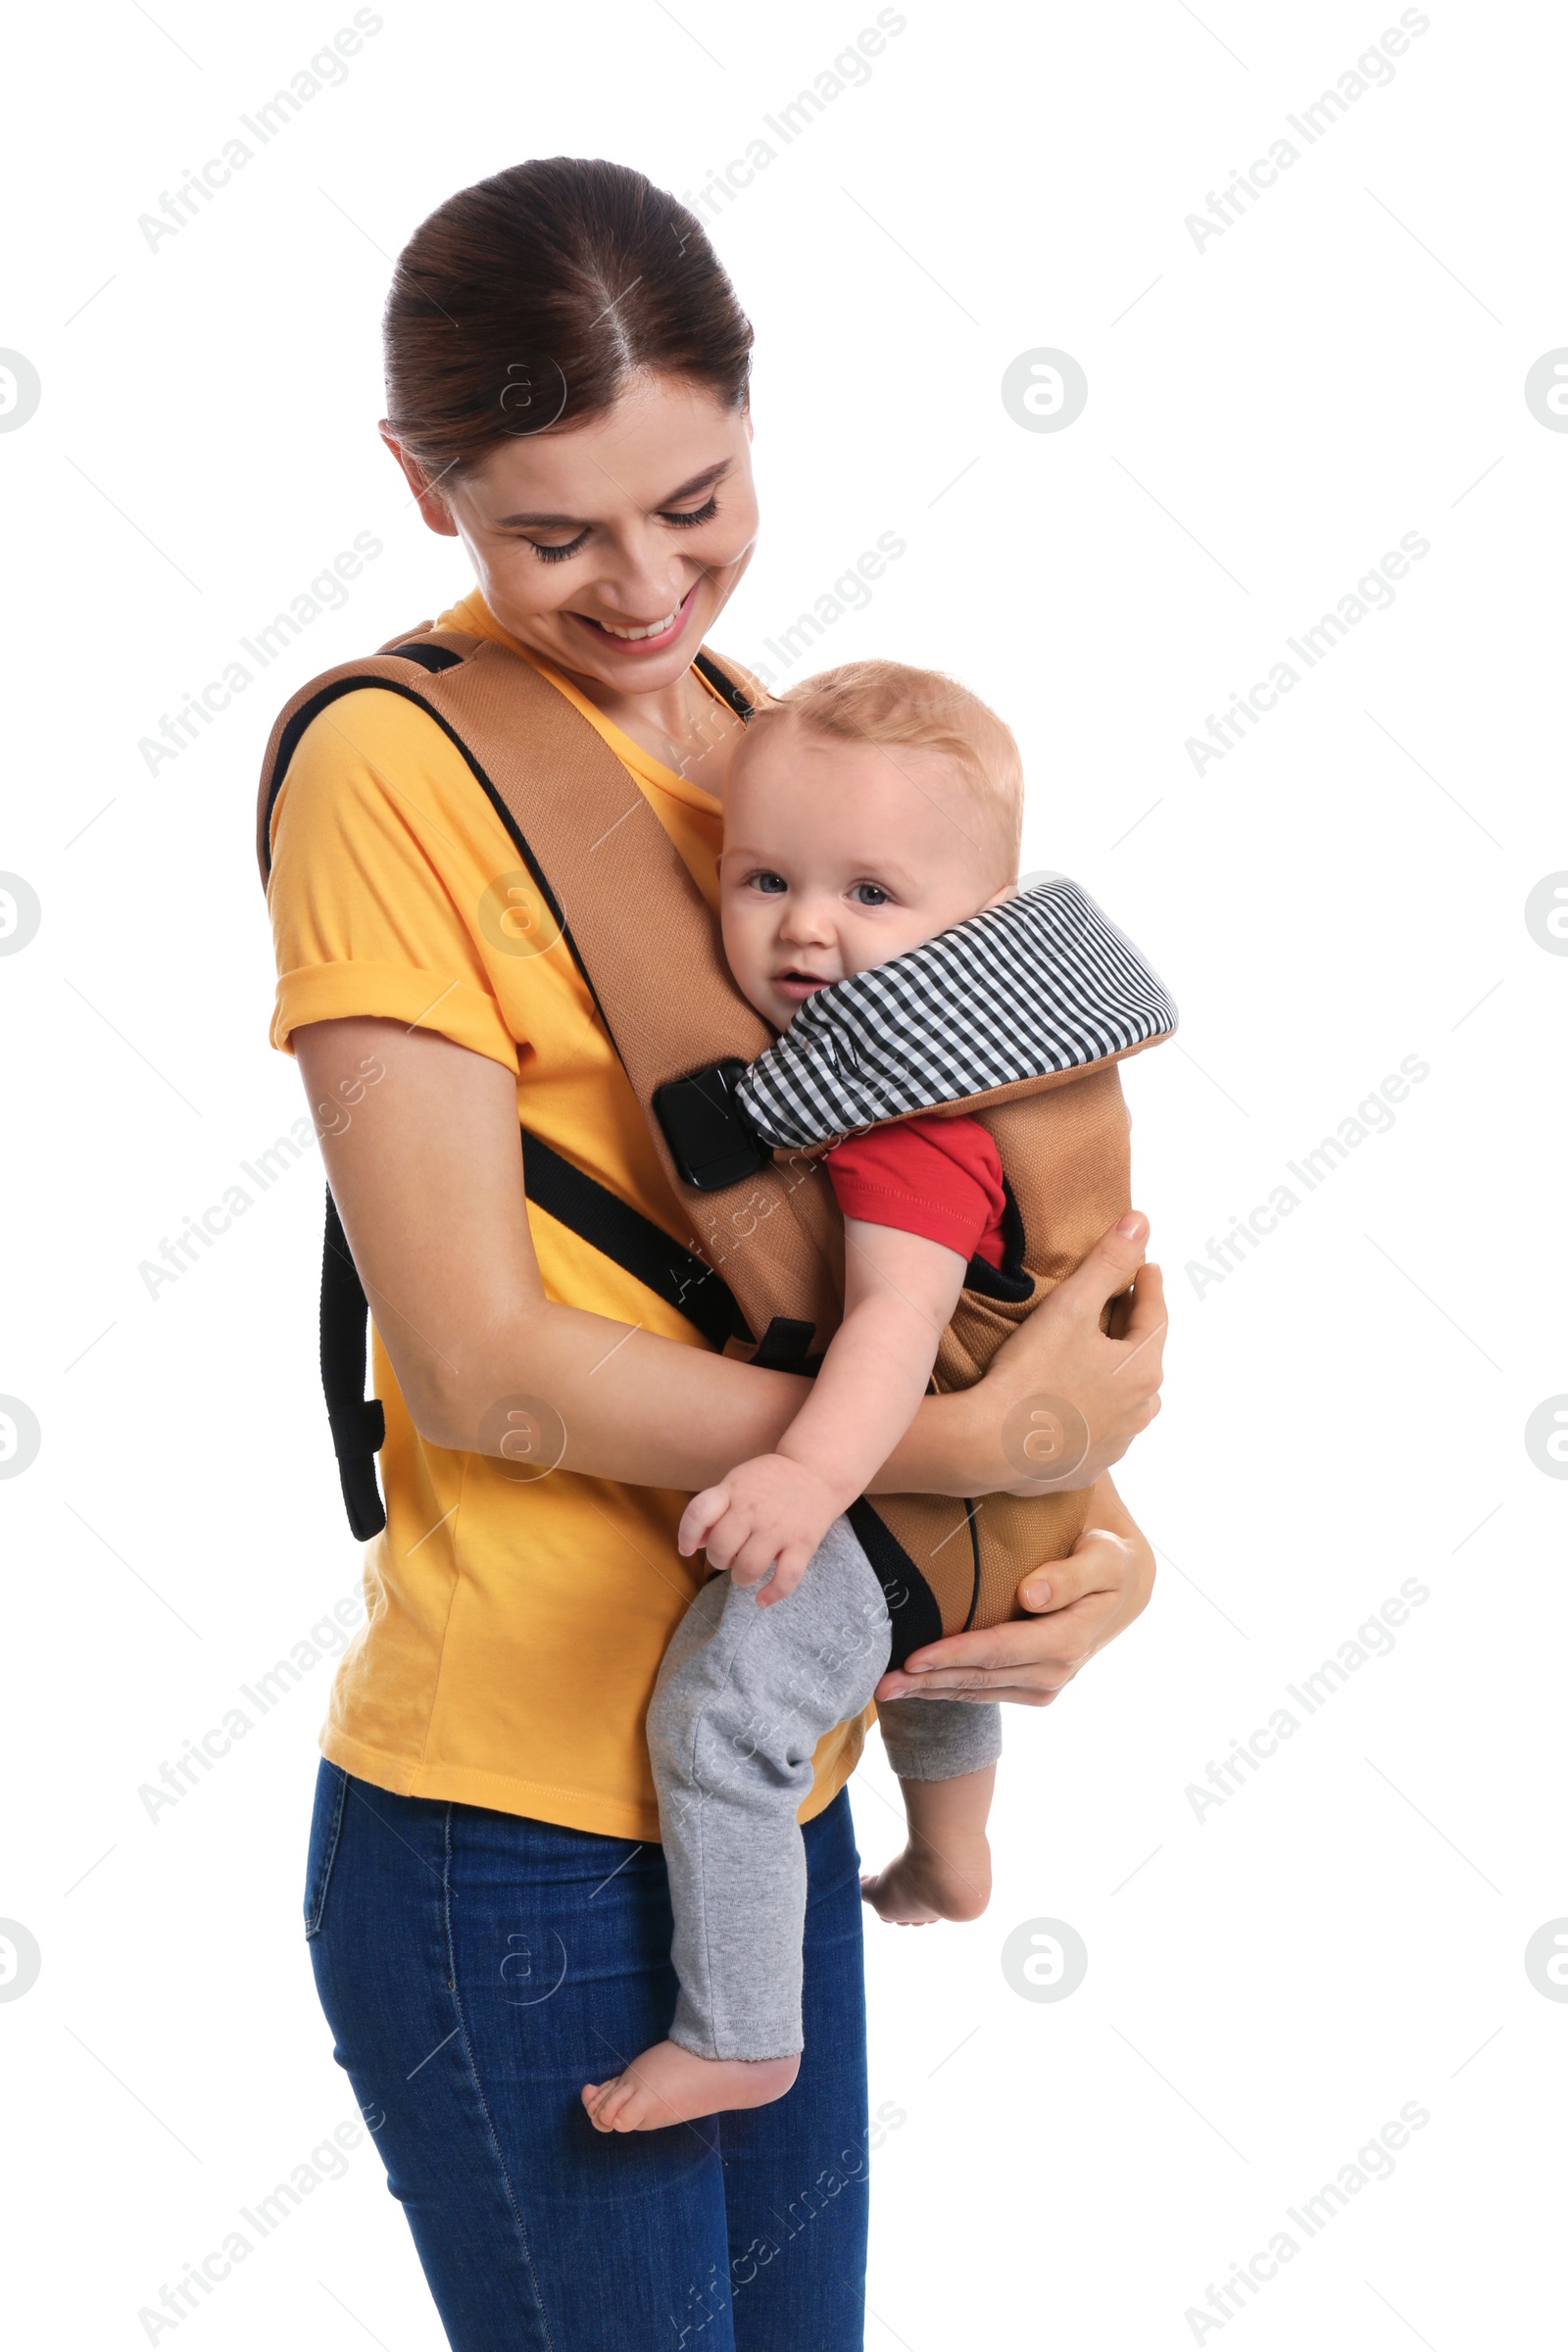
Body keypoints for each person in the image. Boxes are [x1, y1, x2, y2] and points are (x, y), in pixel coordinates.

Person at [273, 156, 1165, 2352]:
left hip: (781, 1763)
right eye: (549, 531)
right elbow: (474, 1354)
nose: (641, 582)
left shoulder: (796, 759)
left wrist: (1071, 1529)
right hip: (520, 1829)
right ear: (421, 486)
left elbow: (910, 1232)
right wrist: (965, 1451)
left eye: (695, 497)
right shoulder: (398, 771)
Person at [583, 657, 1088, 2133]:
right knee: (924, 1671)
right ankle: (950, 1855)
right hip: (990, 1523)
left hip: (893, 1493)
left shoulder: (907, 1116)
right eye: (763, 881)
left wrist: (805, 1481)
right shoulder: (936, 1065)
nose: (806, 926)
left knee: (726, 1716)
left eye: (873, 895)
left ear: (977, 932)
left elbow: (891, 1326)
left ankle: (742, 2031)